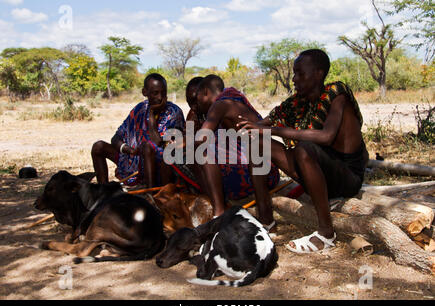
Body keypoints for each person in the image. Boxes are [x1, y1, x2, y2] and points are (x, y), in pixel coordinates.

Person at [238, 49, 369, 253]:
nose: (294, 79)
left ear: (318, 73)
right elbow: (264, 123)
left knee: (303, 149)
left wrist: (269, 129)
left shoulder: (337, 94)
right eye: (294, 73)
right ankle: (266, 220)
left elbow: (326, 136)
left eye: (300, 73)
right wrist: (250, 128)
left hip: (347, 178)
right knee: (258, 142)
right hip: (317, 177)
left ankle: (326, 233)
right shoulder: (298, 102)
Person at [194, 75, 280, 230]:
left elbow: (202, 138)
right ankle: (265, 219)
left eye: (197, 97)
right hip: (269, 171)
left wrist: (184, 142)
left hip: (259, 173)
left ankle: (219, 213)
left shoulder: (220, 104)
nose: (196, 103)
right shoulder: (234, 99)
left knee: (202, 153)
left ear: (205, 92)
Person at [91, 73, 185, 187]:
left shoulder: (173, 112)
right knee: (98, 147)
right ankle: (103, 190)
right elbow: (116, 138)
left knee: (147, 147)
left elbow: (158, 145)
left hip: (160, 166)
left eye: (163, 93)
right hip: (132, 160)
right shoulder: (139, 109)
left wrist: (151, 116)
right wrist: (129, 150)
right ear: (145, 92)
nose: (160, 97)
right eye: (155, 93)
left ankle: (151, 193)